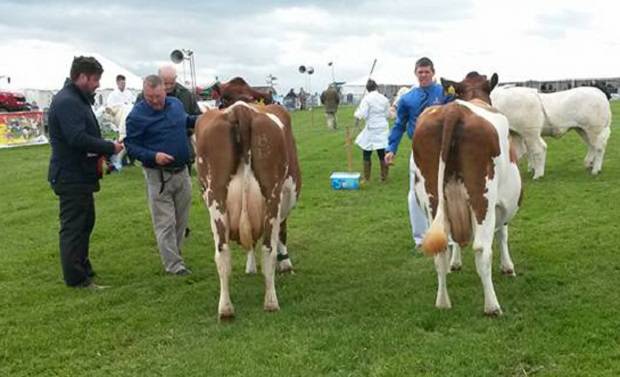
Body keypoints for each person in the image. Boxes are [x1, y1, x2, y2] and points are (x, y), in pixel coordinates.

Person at [47, 56, 124, 288]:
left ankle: (82, 268)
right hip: (71, 175)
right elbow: (76, 138)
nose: (97, 84)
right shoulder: (68, 101)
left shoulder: (76, 99)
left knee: (85, 222)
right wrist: (109, 147)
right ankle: (76, 278)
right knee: (74, 226)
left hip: (79, 174)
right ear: (81, 77)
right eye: (94, 79)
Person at [124, 75, 197, 276]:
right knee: (165, 222)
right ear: (144, 94)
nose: (155, 101)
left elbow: (186, 122)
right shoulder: (136, 116)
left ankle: (176, 254)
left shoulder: (175, 105)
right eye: (150, 97)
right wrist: (153, 156)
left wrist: (205, 119)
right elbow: (130, 146)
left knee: (181, 219)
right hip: (158, 176)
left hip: (182, 172)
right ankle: (174, 265)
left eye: (158, 96)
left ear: (165, 91)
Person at [384, 57, 452, 248]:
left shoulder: (444, 94)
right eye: (420, 72)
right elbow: (399, 125)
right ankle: (420, 238)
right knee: (415, 193)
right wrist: (391, 149)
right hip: (419, 151)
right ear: (415, 73)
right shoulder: (407, 99)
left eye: (427, 72)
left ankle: (449, 233)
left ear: (433, 73)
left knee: (447, 189)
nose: (423, 75)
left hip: (444, 151)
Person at [354, 79, 390, 182]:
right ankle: (384, 177)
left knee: (366, 152)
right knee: (382, 152)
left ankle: (366, 178)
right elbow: (387, 114)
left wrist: (357, 113)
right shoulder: (384, 98)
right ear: (376, 87)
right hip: (382, 127)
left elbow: (363, 114)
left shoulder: (366, 99)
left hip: (372, 127)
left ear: (367, 89)